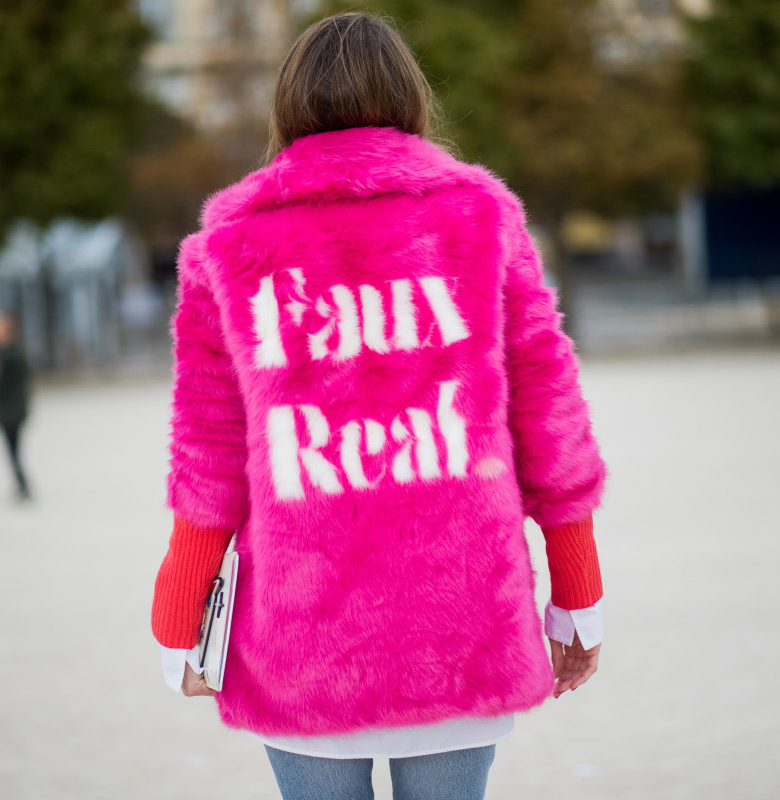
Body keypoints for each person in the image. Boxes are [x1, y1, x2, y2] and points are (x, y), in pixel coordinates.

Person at [150, 13, 607, 800]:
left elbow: (210, 453)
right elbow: (549, 418)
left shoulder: (228, 247)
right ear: (409, 98)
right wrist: (579, 588)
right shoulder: (482, 220)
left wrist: (177, 609)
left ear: (288, 106)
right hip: (459, 622)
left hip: (304, 635)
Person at [0, 312, 32, 500]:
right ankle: (20, 483)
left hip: (11, 411)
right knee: (13, 450)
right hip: (11, 410)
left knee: (13, 450)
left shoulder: (9, 355)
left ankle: (22, 483)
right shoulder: (6, 353)